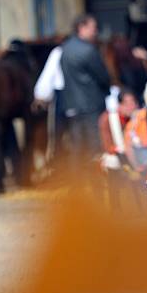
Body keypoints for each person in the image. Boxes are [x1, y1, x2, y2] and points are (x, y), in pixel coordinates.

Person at [60, 14, 112, 179]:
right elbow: (103, 77)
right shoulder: (89, 50)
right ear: (81, 27)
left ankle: (78, 183)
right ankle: (95, 181)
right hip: (91, 104)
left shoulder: (65, 49)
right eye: (92, 27)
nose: (95, 31)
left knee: (76, 146)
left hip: (71, 105)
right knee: (94, 145)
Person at [98, 88, 144, 213]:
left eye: (132, 103)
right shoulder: (108, 118)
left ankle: (144, 205)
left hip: (137, 153)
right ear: (120, 105)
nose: (130, 107)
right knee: (112, 162)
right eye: (126, 104)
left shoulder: (140, 117)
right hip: (118, 155)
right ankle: (116, 206)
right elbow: (108, 146)